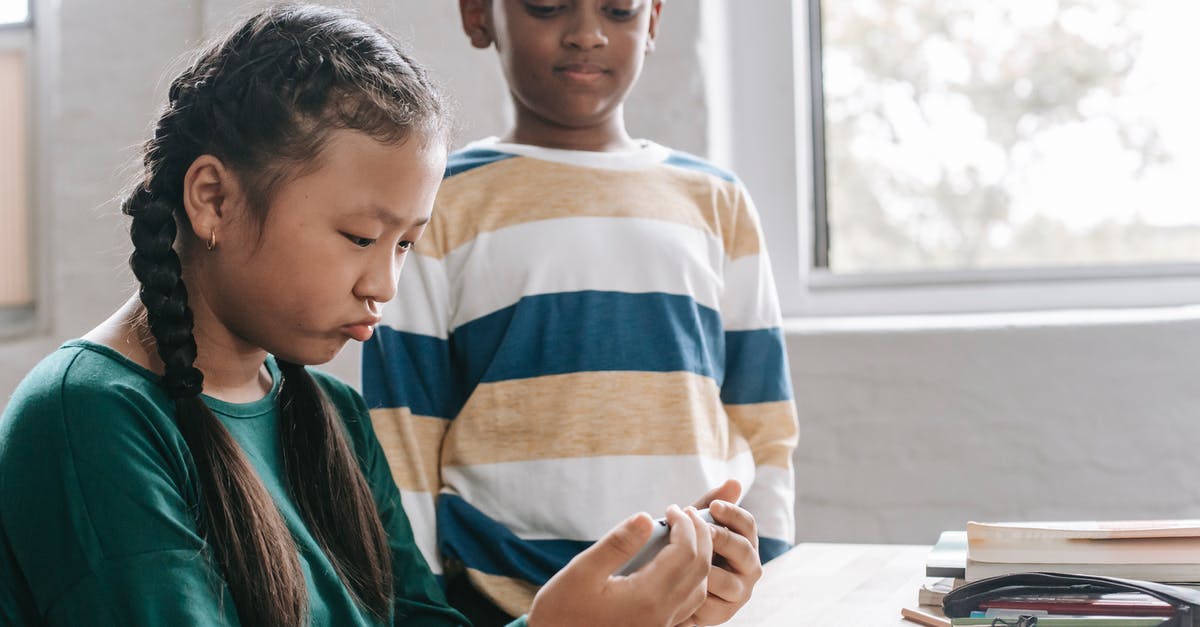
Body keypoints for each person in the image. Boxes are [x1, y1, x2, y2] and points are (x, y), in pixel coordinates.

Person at [0, 5, 718, 626]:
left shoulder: (334, 415)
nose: (385, 283)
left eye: (407, 243)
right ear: (213, 199)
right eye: (359, 237)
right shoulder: (87, 418)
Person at [361, 0, 799, 624]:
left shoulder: (717, 201)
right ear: (479, 16)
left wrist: (771, 582)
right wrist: (421, 606)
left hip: (697, 603)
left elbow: (764, 426)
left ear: (652, 21)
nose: (587, 34)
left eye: (619, 10)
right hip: (501, 603)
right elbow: (404, 431)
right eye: (547, 6)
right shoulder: (438, 203)